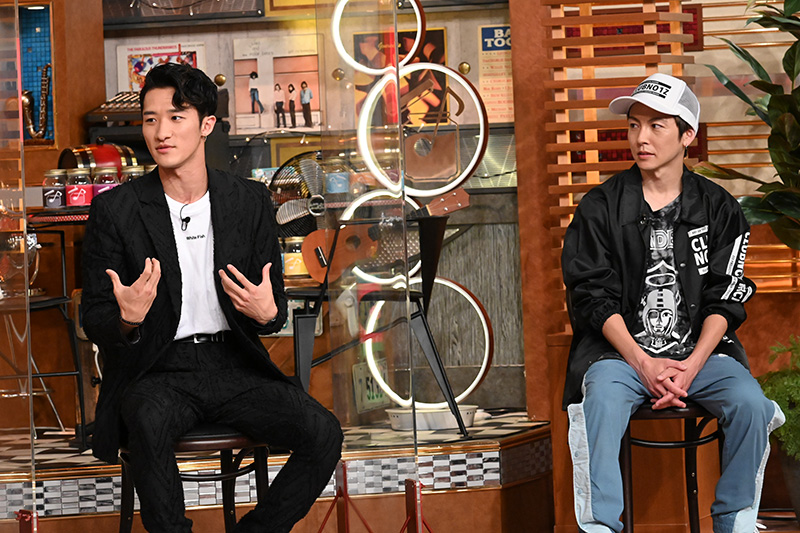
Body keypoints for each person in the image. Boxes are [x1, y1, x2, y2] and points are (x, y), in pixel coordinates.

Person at [81, 63, 343, 533]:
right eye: (150, 119)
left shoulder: (248, 201)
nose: (161, 132)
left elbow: (272, 309)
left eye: (176, 117)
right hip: (158, 370)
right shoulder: (116, 209)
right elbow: (95, 317)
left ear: (206, 125)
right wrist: (126, 320)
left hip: (233, 366)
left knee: (323, 432)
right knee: (146, 420)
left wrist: (269, 313)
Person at [561, 72, 785, 533]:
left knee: (751, 404)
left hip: (699, 356)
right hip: (620, 356)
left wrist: (691, 363)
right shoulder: (599, 207)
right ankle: (600, 525)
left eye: (656, 126)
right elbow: (591, 297)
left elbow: (727, 296)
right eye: (634, 125)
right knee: (600, 400)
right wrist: (643, 363)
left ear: (687, 136)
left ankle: (735, 519)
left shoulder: (720, 208)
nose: (640, 138)